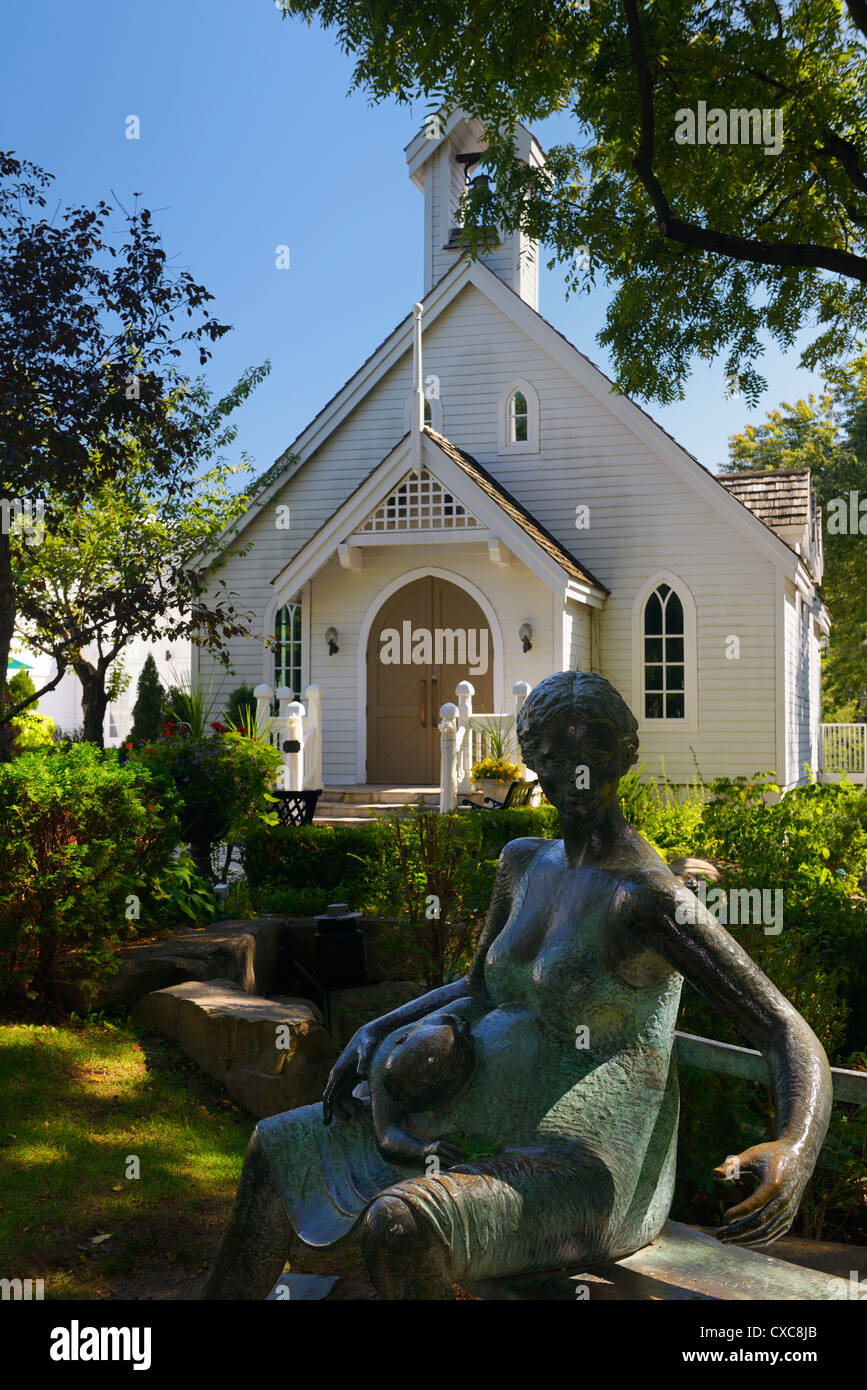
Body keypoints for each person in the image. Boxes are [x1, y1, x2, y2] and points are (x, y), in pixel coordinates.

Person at [203, 671, 832, 1300]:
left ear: (623, 755)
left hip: (584, 1170)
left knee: (401, 1226)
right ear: (533, 762)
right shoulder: (524, 862)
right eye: (556, 756)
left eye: (592, 753)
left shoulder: (648, 899)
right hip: (467, 1125)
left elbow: (781, 1027)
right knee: (276, 1143)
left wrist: (794, 1144)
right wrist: (377, 1028)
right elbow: (478, 987)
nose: (575, 773)